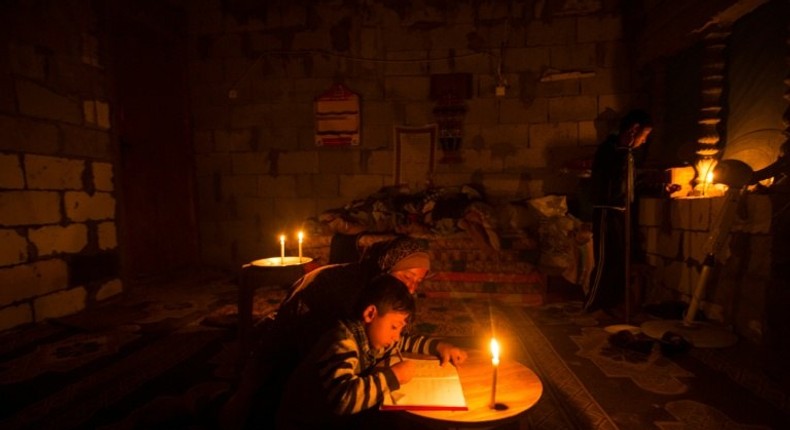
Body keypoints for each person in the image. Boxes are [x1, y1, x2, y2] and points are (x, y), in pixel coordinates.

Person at [218, 236, 434, 429]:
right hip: (296, 386)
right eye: (407, 277)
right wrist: (387, 375)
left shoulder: (377, 301)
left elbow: (389, 339)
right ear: (387, 265)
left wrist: (435, 346)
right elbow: (334, 387)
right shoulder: (345, 313)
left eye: (418, 282)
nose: (411, 289)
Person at [276, 274, 467, 430]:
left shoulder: (374, 334)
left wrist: (440, 347)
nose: (397, 337)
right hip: (308, 422)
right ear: (370, 314)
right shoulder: (341, 341)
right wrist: (394, 376)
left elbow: (407, 342)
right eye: (394, 327)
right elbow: (343, 399)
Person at [583, 109, 653, 313]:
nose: (644, 140)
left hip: (621, 211)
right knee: (606, 261)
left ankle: (610, 305)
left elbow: (629, 184)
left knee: (619, 261)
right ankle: (591, 306)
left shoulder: (627, 154)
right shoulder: (609, 151)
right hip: (607, 212)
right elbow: (609, 181)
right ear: (633, 131)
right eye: (644, 135)